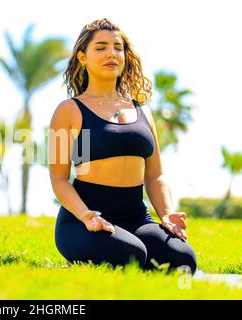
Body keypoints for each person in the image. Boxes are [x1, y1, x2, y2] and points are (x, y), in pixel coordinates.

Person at [49, 18, 197, 274]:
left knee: (183, 259)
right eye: (101, 47)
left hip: (136, 218)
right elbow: (60, 179)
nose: (111, 53)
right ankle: (80, 256)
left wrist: (166, 214)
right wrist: (86, 216)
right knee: (131, 255)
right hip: (84, 219)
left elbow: (155, 175)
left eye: (118, 48)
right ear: (83, 58)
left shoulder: (143, 111)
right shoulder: (69, 111)